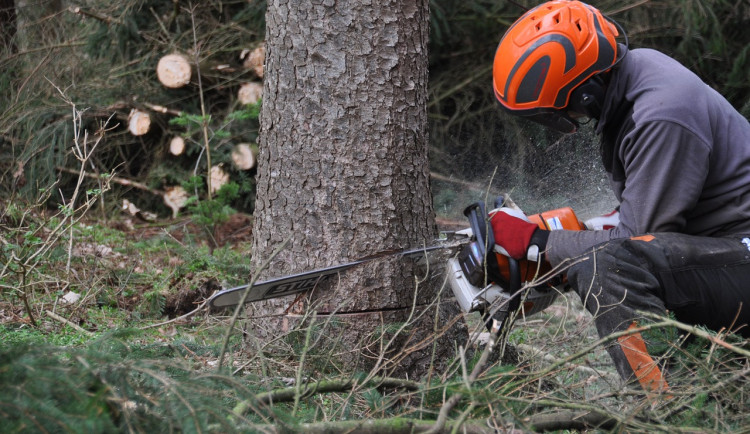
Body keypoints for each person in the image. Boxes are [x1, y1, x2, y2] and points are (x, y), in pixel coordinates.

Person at [488, 0, 750, 393]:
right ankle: (708, 385)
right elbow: (647, 212)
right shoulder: (635, 77)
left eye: (560, 110)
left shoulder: (660, 114)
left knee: (608, 266)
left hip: (740, 253)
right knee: (605, 254)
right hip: (725, 249)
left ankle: (667, 409)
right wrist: (566, 234)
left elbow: (636, 242)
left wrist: (539, 243)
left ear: (586, 95)